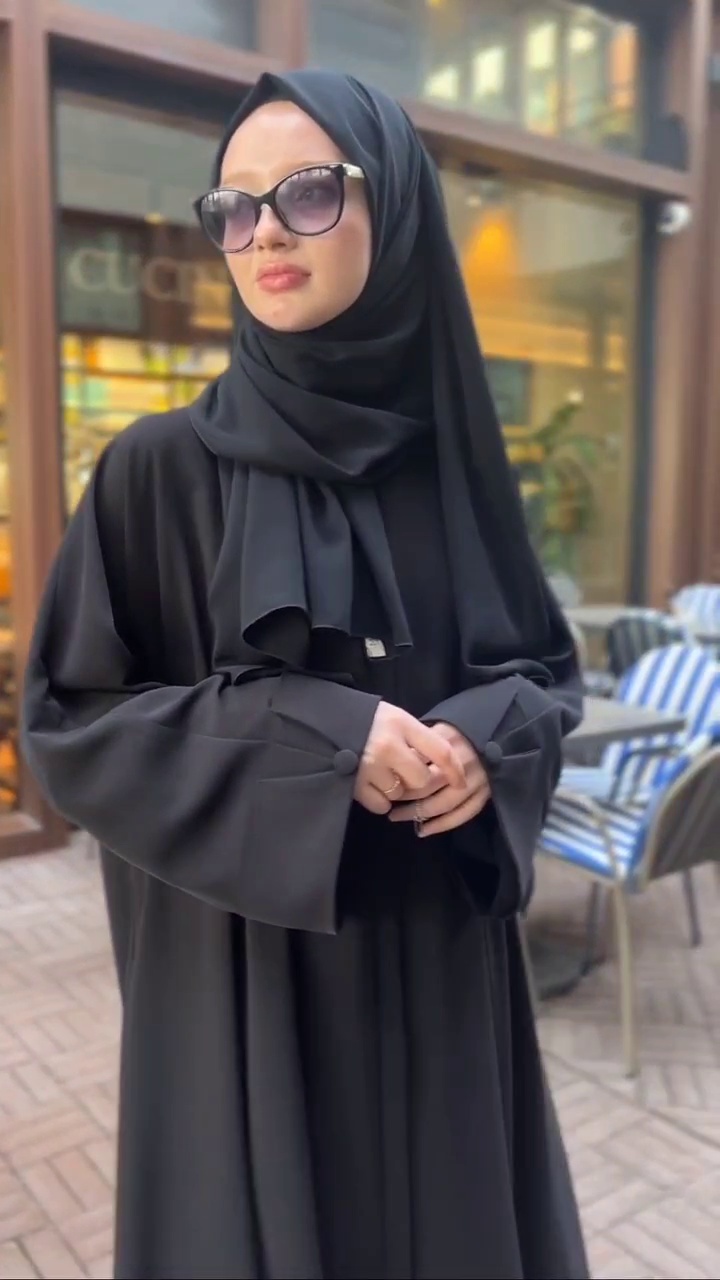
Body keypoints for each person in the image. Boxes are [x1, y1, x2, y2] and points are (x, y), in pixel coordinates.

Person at [22, 69, 588, 1280]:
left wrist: (485, 740)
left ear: (397, 213)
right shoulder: (158, 471)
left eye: (309, 192)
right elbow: (70, 719)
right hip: (243, 986)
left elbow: (542, 667)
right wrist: (308, 736)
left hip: (441, 969)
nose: (265, 231)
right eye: (233, 207)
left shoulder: (456, 466)